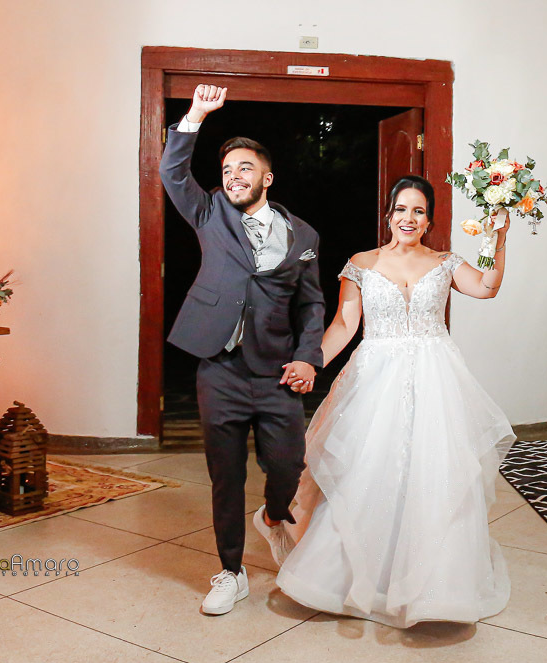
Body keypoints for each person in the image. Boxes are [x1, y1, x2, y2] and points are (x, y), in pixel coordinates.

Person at [276, 175, 516, 628]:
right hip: (376, 378)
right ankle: (352, 576)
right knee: (369, 470)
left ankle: (436, 587)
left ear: (429, 220)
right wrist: (311, 363)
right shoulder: (361, 263)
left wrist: (497, 237)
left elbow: (487, 287)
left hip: (436, 378)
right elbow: (345, 325)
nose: (409, 218)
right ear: (389, 215)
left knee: (434, 473)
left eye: (419, 211)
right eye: (401, 209)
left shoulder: (446, 262)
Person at [159, 84, 325, 615]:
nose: (233, 175)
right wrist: (196, 115)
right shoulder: (210, 212)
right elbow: (172, 173)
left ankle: (273, 514)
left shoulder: (304, 236)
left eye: (245, 168)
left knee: (288, 465)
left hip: (276, 371)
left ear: (267, 178)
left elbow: (311, 305)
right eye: (227, 169)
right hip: (220, 370)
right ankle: (231, 572)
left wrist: (308, 356)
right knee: (225, 477)